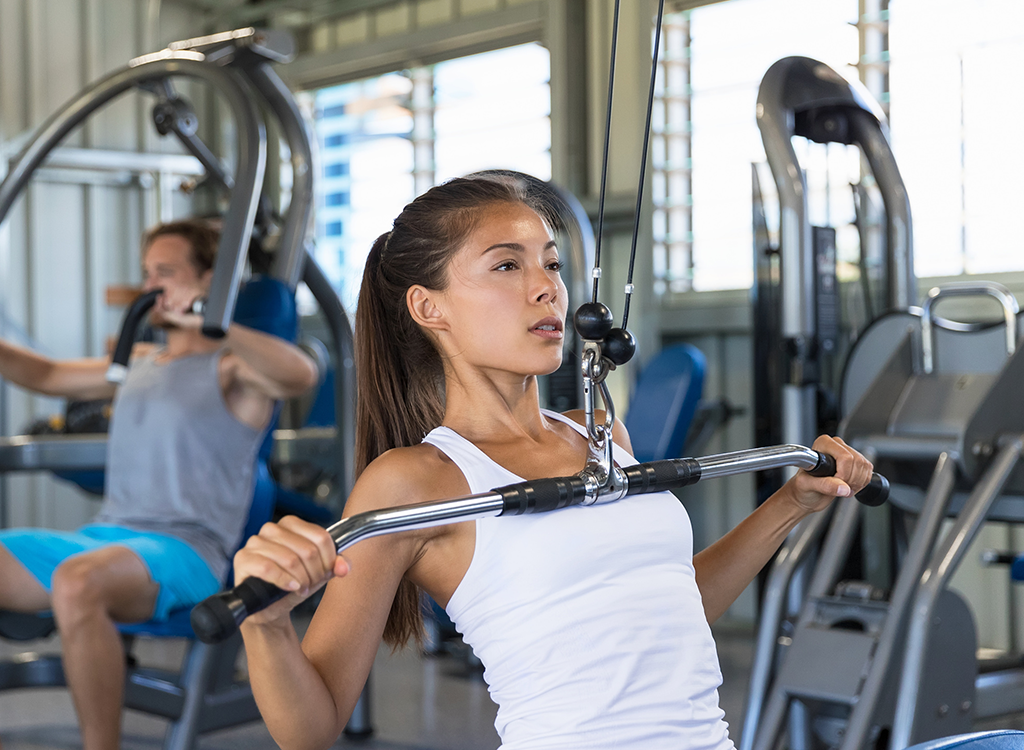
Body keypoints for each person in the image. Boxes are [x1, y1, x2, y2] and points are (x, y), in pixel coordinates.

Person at [233, 175, 874, 750]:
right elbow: (309, 730)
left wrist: (792, 501)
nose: (547, 289)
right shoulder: (414, 480)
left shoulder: (600, 433)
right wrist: (265, 626)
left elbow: (675, 607)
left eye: (551, 264)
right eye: (507, 266)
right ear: (430, 307)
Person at [0, 219, 318, 750]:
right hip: (104, 538)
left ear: (209, 281)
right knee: (77, 572)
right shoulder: (141, 361)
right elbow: (48, 375)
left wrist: (214, 320)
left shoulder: (234, 369)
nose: (151, 286)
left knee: (77, 582)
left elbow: (302, 373)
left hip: (184, 552)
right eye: (147, 273)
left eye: (165, 273)